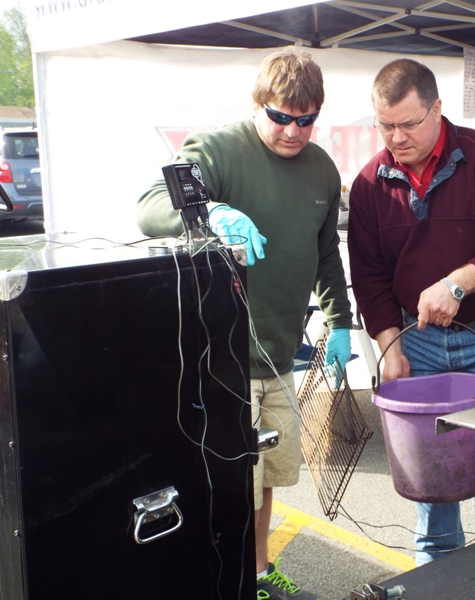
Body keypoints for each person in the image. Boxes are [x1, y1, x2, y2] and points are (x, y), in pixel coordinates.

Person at [136, 47, 352, 600]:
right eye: (281, 117)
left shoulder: (322, 169)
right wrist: (208, 212)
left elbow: (325, 254)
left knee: (266, 478)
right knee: (231, 484)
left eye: (306, 120)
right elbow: (149, 206)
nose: (293, 131)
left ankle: (255, 574)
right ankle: (222, 582)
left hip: (279, 354)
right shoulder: (219, 150)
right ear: (258, 104)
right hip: (222, 361)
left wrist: (340, 321)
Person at [348, 58, 475, 566]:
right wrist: (389, 345)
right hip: (419, 338)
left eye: (409, 124)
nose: (397, 137)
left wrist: (459, 283)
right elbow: (370, 277)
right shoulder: (369, 185)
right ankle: (436, 570)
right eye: (385, 125)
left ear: (437, 109)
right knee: (426, 458)